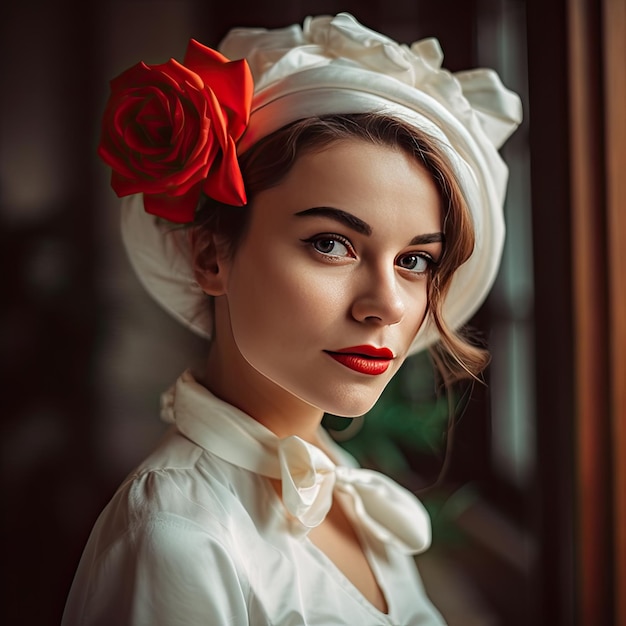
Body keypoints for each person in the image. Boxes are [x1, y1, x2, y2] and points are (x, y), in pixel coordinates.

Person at [62, 13, 522, 625]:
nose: (385, 303)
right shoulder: (178, 534)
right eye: (331, 243)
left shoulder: (344, 486)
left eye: (415, 260)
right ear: (210, 254)